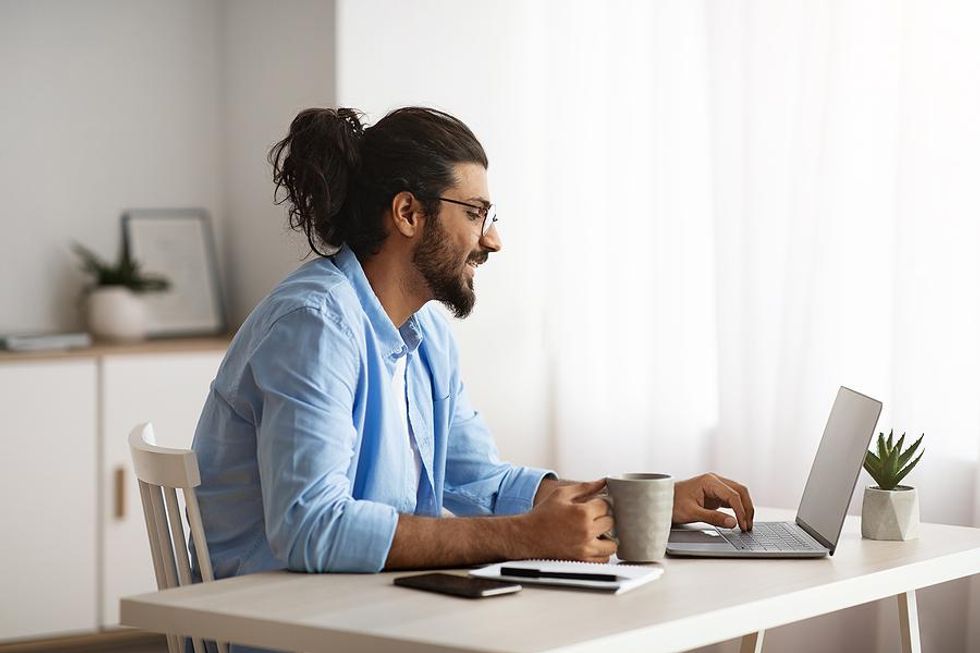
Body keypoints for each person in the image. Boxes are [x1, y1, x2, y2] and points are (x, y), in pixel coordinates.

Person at [191, 106, 754, 583]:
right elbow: (310, 528)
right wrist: (517, 539)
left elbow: (478, 481)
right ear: (409, 213)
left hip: (361, 613)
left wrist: (640, 507)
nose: (493, 239)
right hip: (276, 629)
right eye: (476, 213)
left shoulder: (427, 332)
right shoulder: (314, 325)